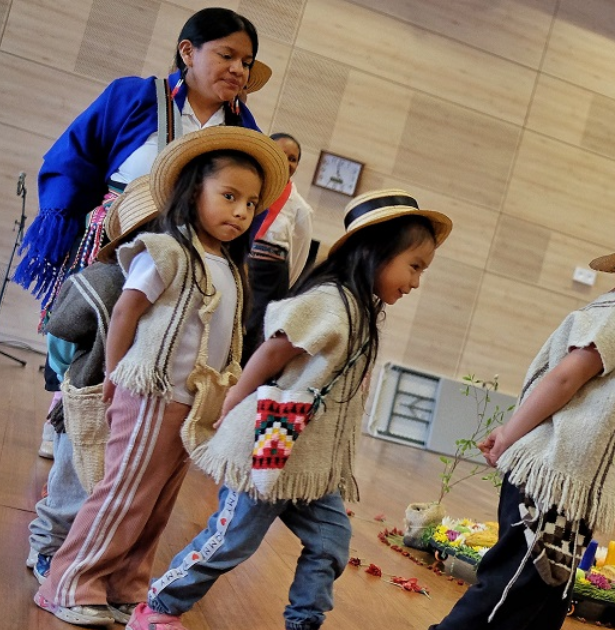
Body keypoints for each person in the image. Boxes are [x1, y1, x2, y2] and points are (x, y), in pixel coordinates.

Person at [129, 190, 451, 630]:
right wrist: (233, 400)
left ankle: (304, 622)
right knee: (232, 540)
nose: (415, 282)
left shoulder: (362, 311)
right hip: (272, 447)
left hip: (312, 466)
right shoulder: (329, 302)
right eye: (414, 267)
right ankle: (160, 607)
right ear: (376, 252)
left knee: (330, 541)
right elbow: (271, 351)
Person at [33, 127, 288, 627]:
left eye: (250, 203)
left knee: (156, 503)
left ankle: (124, 584)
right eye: (229, 196)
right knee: (122, 493)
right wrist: (114, 373)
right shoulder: (166, 249)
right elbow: (127, 310)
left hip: (190, 403)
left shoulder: (228, 266)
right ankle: (67, 583)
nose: (240, 212)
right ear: (195, 192)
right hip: (148, 393)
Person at [429, 208, 615, 630]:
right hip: (546, 490)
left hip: (563, 494)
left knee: (545, 601)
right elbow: (565, 377)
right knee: (508, 591)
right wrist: (508, 435)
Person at [16, 5, 264, 509]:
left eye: (247, 60)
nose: (239, 69)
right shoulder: (133, 97)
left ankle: (105, 477)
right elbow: (76, 153)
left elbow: (245, 204)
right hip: (113, 243)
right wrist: (64, 214)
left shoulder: (243, 130)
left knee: (143, 363)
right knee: (85, 338)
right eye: (228, 55)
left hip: (181, 263)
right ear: (187, 51)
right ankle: (65, 411)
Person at [26, 177, 159, 584]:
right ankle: (45, 546)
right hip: (86, 400)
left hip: (133, 407)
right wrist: (76, 380)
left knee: (104, 487)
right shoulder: (98, 280)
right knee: (70, 480)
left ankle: (85, 556)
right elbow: (61, 339)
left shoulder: (165, 283)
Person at [242, 131, 315, 362]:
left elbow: (299, 256)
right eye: (281, 154)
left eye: (293, 159)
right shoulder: (244, 188)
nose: (287, 162)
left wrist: (283, 288)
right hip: (239, 262)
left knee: (253, 331)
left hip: (270, 279)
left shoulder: (300, 208)